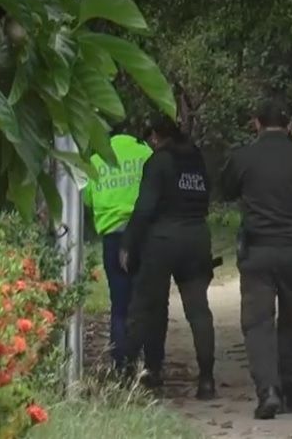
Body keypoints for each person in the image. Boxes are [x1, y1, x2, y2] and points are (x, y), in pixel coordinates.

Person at [220, 100, 292, 420]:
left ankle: (267, 391)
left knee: (258, 324)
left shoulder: (244, 157)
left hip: (257, 251)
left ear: (256, 123)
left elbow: (225, 190)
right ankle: (288, 388)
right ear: (289, 126)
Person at [119, 113, 217, 399]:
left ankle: (129, 375)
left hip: (162, 240)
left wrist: (128, 243)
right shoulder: (196, 159)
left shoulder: (158, 161)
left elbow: (145, 207)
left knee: (145, 307)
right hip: (198, 237)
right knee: (199, 311)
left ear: (154, 137)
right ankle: (207, 380)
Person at [82, 122, 167, 377]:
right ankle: (152, 366)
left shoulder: (96, 160)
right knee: (150, 302)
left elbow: (87, 198)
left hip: (113, 238)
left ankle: (122, 367)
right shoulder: (145, 154)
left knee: (120, 305)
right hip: (145, 236)